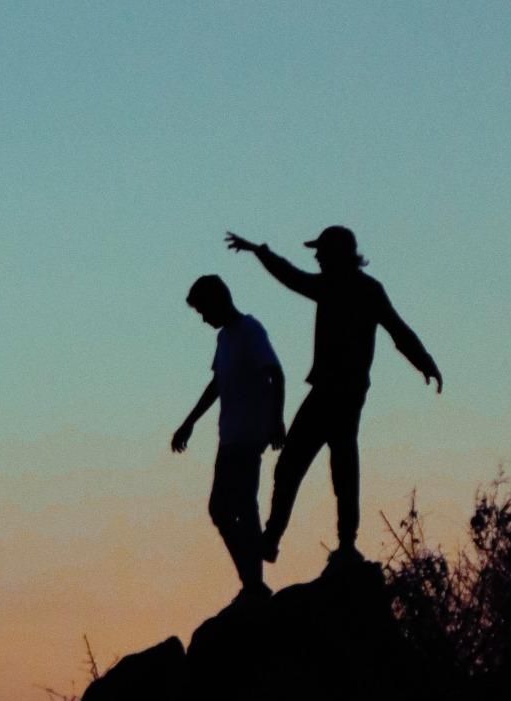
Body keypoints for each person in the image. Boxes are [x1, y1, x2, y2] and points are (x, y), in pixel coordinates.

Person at [223, 225, 442, 566]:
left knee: (333, 467)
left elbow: (398, 331)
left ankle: (334, 542)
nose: (317, 258)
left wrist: (424, 362)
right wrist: (259, 252)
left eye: (321, 252)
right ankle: (280, 537)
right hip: (331, 392)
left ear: (337, 254)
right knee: (305, 466)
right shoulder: (337, 287)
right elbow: (292, 276)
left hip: (340, 395)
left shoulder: (360, 290)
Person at [172, 274, 285, 597]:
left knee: (237, 506)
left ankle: (254, 583)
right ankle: (251, 581)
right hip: (231, 436)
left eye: (204, 311)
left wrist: (277, 421)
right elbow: (217, 384)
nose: (205, 319)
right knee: (224, 509)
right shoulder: (225, 339)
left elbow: (275, 373)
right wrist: (189, 422)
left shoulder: (250, 330)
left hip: (249, 434)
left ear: (218, 301)